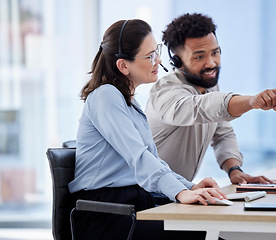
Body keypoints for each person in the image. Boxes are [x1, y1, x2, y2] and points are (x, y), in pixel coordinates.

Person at [68, 19, 226, 240]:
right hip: (105, 214)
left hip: (132, 205)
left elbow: (154, 160)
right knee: (204, 233)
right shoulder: (106, 96)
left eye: (157, 52)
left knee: (211, 228)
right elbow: (139, 158)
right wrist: (181, 193)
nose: (159, 61)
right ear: (124, 66)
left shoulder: (130, 103)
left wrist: (190, 187)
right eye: (150, 56)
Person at [145, 13, 276, 184]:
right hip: (147, 197)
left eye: (215, 52)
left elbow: (222, 134)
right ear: (177, 61)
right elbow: (201, 108)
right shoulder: (165, 92)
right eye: (199, 56)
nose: (211, 63)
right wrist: (250, 102)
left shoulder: (208, 85)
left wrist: (234, 170)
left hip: (177, 193)